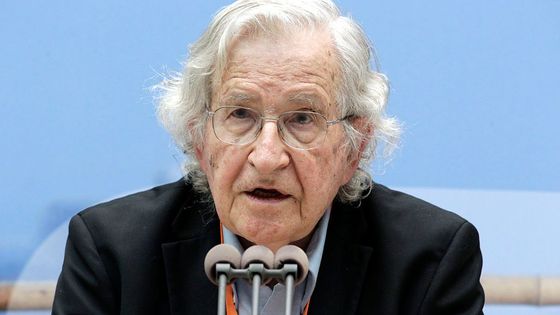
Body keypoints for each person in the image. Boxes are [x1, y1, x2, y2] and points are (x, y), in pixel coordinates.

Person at [53, 0, 485, 314]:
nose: (267, 155)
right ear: (200, 139)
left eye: (302, 118)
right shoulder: (114, 253)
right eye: (240, 114)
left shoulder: (428, 260)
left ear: (355, 148)